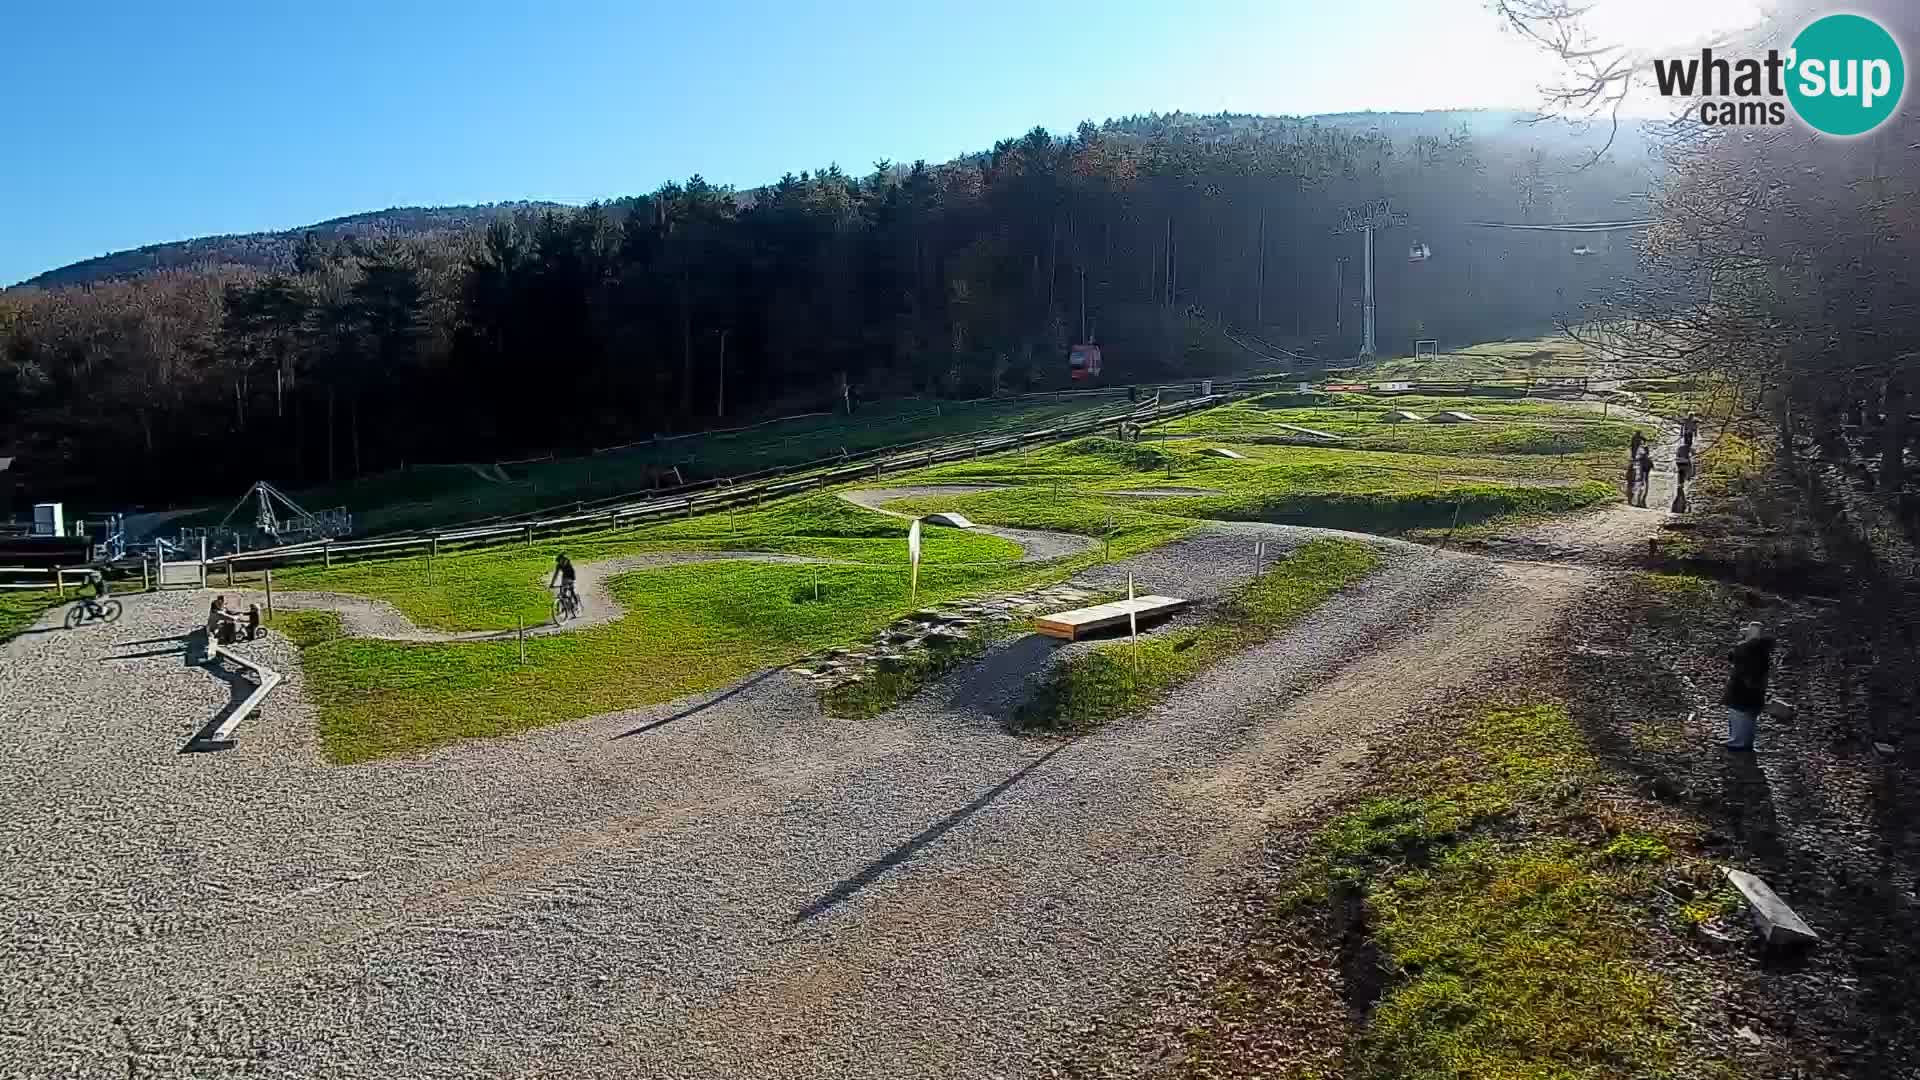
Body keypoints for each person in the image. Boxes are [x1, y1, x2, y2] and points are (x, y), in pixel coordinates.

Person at [1721, 622, 1776, 752]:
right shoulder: (1762, 650)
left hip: (1742, 692)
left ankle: (1738, 743)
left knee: (1739, 715)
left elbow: (1733, 658)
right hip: (1755, 692)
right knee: (1748, 718)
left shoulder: (1747, 650)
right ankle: (1743, 742)